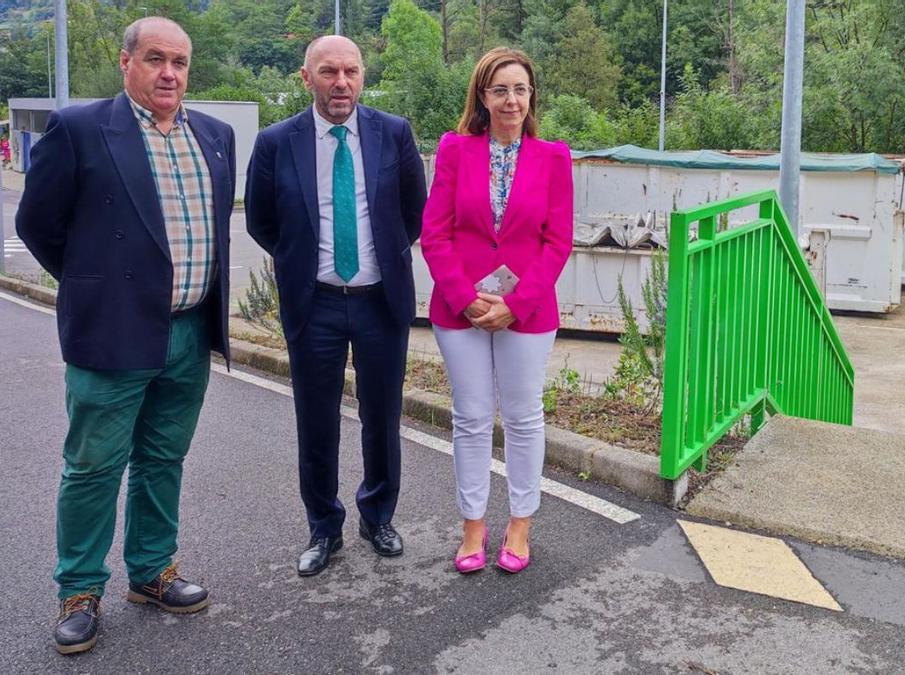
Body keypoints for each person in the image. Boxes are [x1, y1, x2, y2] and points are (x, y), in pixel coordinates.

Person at [15, 17, 236, 655]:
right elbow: (38, 224)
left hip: (190, 332)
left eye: (181, 62)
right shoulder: (82, 129)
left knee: (163, 460)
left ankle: (152, 571)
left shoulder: (215, 136)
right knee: (92, 467)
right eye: (157, 59)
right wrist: (95, 285)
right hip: (112, 333)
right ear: (127, 63)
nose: (170, 73)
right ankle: (79, 591)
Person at [245, 35, 427, 577]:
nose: (341, 82)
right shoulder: (277, 141)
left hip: (380, 303)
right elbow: (260, 220)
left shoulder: (393, 132)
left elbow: (412, 213)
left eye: (351, 71)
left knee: (382, 419)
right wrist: (301, 259)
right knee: (317, 422)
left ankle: (378, 514)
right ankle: (324, 527)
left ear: (363, 75)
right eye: (328, 72)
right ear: (307, 78)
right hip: (315, 303)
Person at [422, 47, 573, 575]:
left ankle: (520, 524)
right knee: (471, 417)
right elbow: (434, 233)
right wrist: (466, 299)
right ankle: (472, 527)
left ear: (532, 96)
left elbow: (557, 241)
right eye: (500, 90)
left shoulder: (553, 156)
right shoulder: (455, 149)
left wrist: (515, 304)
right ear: (482, 97)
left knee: (524, 417)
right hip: (458, 308)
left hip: (527, 311)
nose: (511, 100)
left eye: (520, 89)